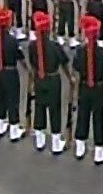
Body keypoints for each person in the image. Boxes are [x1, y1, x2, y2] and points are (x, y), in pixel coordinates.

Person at [73, 14, 103, 164]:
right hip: (98, 87)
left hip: (84, 86)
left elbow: (76, 71)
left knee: (82, 115)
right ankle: (99, 150)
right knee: (98, 117)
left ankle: (80, 146)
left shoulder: (79, 52)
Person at [29, 11, 73, 154]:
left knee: (39, 106)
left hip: (39, 78)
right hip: (53, 79)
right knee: (54, 109)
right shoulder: (54, 46)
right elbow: (64, 63)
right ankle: (55, 141)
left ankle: (40, 140)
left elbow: (32, 64)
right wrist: (69, 77)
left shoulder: (32, 46)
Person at [0, 6, 28, 141]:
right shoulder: (12, 41)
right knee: (12, 99)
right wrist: (27, 70)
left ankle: (0, 125)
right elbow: (20, 58)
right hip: (10, 71)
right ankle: (13, 127)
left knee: (0, 97)